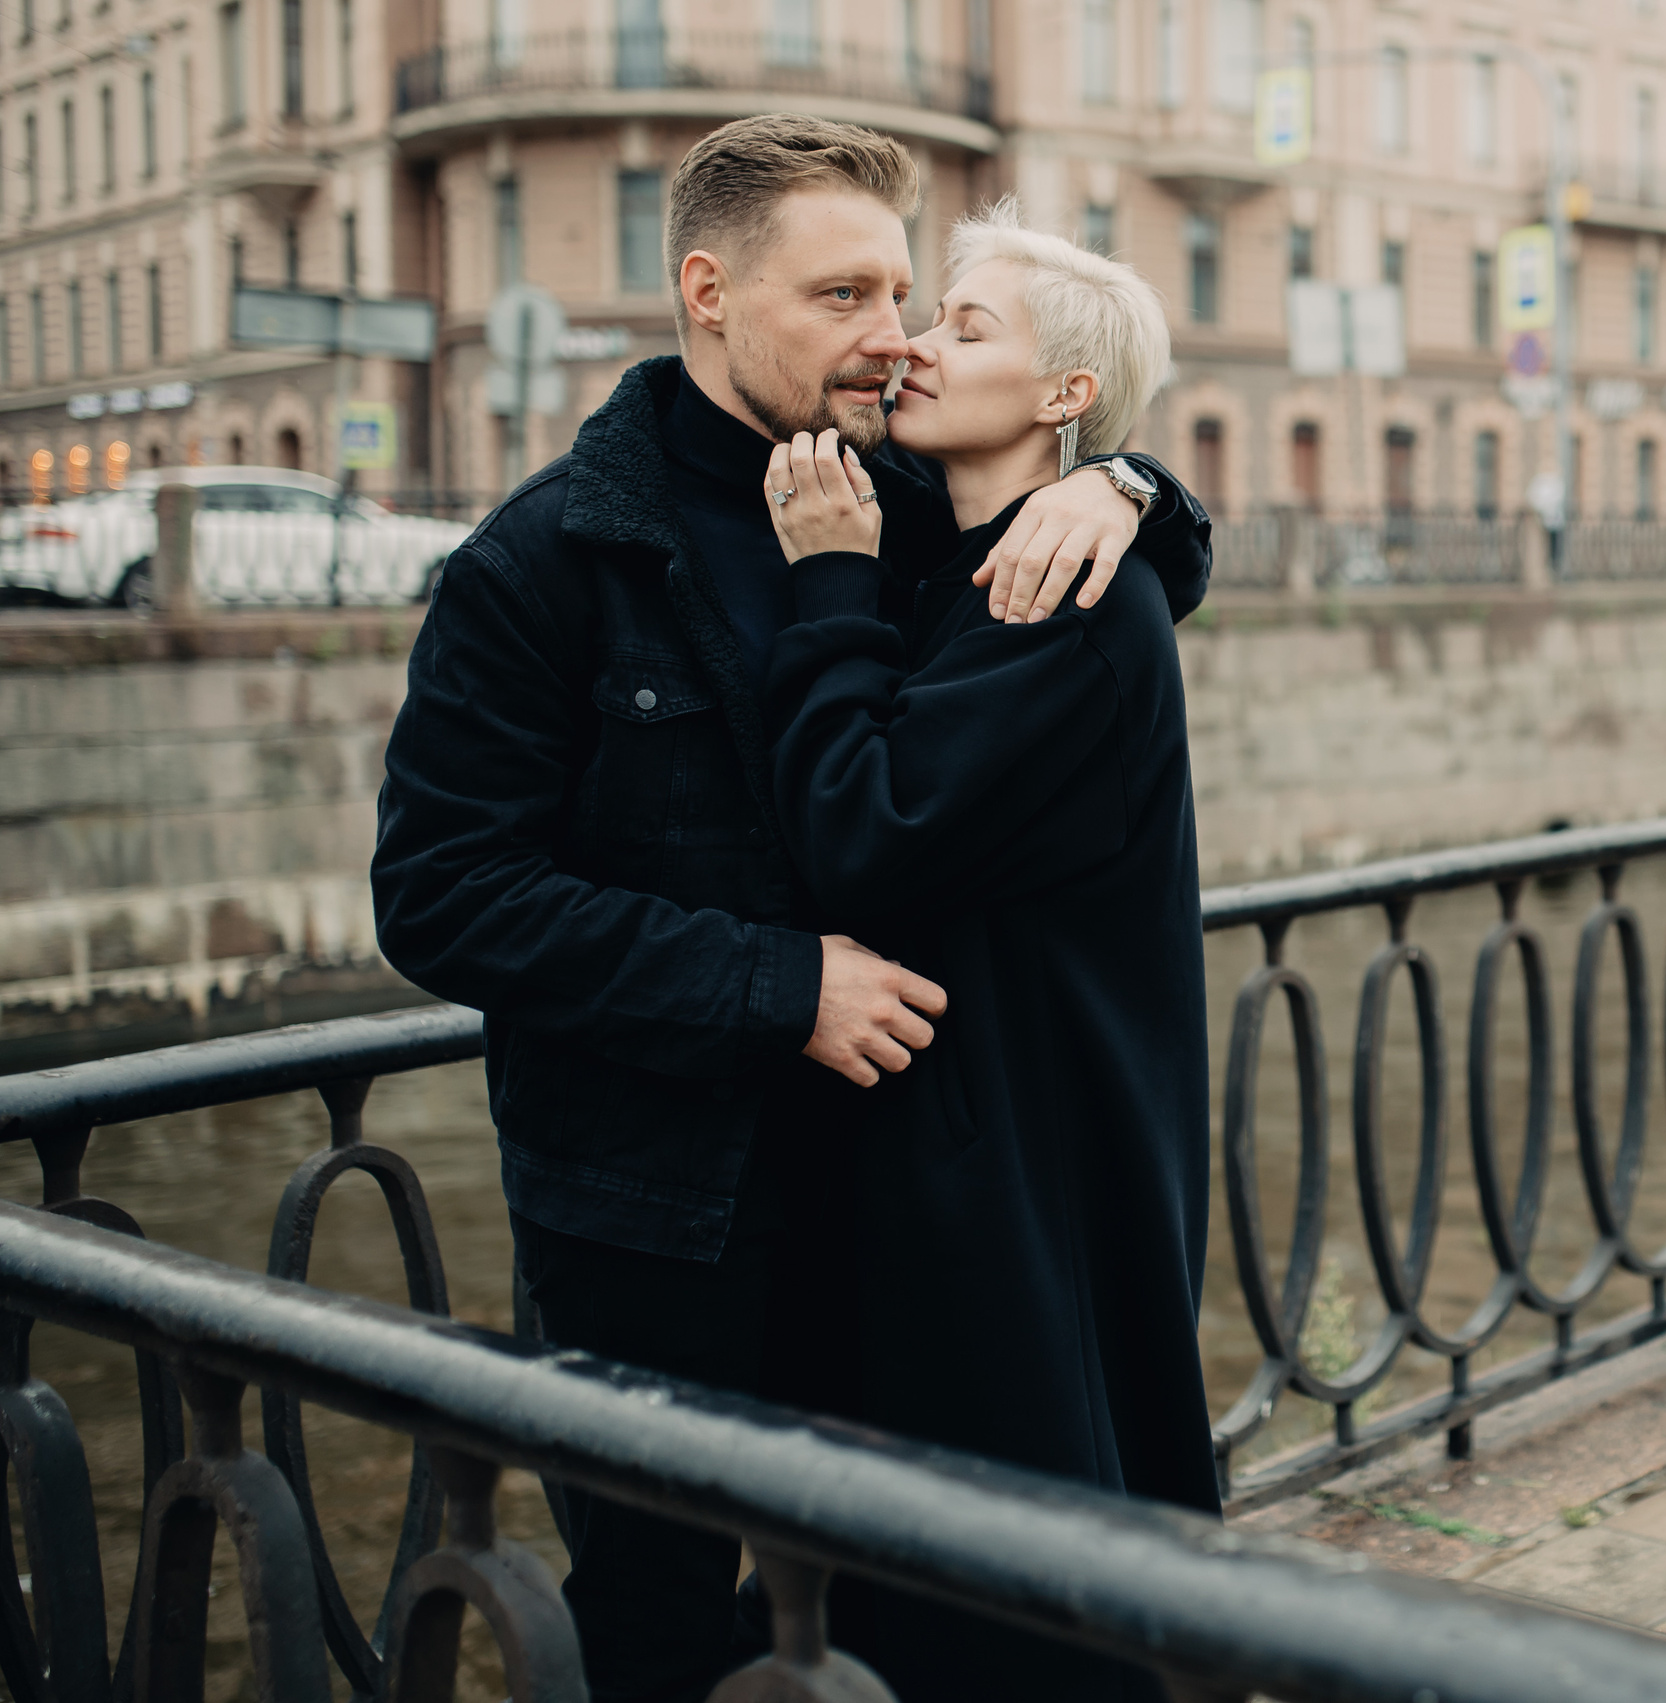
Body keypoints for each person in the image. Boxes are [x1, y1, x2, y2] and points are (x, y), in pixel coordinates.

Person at [368, 116, 1213, 1703]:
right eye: (843, 297)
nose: (889, 339)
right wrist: (777, 986)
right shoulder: (546, 558)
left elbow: (1044, 583)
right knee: (665, 1621)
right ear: (707, 290)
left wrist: (1137, 494)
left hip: (886, 1204)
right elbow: (441, 895)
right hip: (655, 1213)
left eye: (905, 293)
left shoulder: (901, 499)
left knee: (900, 1611)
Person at [752, 199, 1215, 1703]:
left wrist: (824, 585)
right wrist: (1143, 486)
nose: (915, 345)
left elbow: (862, 833)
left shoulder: (1060, 596)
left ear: (1065, 397)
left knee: (1016, 1582)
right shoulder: (979, 560)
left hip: (1020, 1165)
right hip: (974, 1151)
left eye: (964, 325)